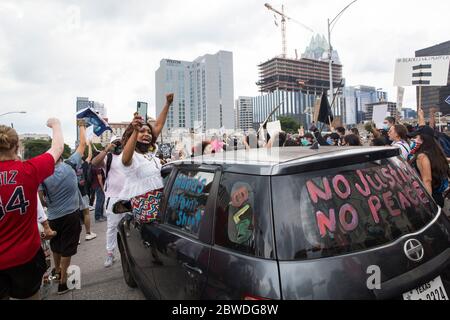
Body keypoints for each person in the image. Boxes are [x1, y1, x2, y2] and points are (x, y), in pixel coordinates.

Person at [0, 118, 63, 300]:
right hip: (25, 256)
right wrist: (55, 124)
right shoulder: (29, 170)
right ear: (17, 146)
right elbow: (57, 149)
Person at [118, 93, 174, 252]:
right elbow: (125, 159)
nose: (147, 134)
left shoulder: (151, 155)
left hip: (162, 208)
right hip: (147, 211)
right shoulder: (131, 156)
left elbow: (158, 126)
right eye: (141, 132)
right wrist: (136, 131)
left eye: (148, 133)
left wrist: (167, 104)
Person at [38, 120, 87, 295]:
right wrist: (82, 126)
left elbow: (42, 200)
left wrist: (49, 204)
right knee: (68, 248)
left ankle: (57, 270)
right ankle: (63, 281)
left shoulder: (43, 175)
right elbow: (82, 144)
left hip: (52, 216)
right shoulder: (70, 165)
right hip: (71, 214)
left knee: (56, 245)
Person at [91, 136, 127, 268]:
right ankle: (110, 253)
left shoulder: (128, 155)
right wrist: (106, 149)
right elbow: (94, 163)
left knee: (131, 226)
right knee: (112, 227)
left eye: (120, 142)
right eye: (115, 142)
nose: (118, 144)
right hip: (113, 198)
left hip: (129, 197)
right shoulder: (108, 157)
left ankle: (131, 252)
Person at [408, 125, 450, 207]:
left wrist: (428, 205)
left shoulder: (422, 156)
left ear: (423, 138)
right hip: (438, 197)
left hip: (429, 197)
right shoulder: (435, 152)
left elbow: (427, 181)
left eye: (415, 137)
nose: (413, 140)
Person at [77, 142, 97, 240]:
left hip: (73, 193)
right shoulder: (83, 165)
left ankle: (77, 238)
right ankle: (88, 233)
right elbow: (90, 156)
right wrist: (89, 145)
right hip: (83, 191)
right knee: (86, 213)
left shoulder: (69, 165)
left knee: (75, 215)